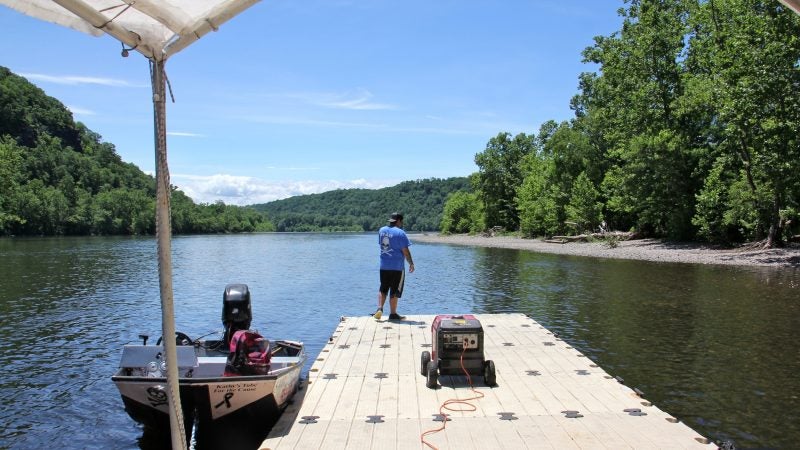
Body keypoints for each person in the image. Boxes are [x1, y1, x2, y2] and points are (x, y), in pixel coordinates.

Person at [374, 212, 414, 321]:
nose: (402, 224)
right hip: (397, 267)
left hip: (384, 266)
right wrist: (411, 263)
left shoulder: (382, 231)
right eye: (402, 221)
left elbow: (382, 246)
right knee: (395, 290)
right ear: (398, 221)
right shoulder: (400, 233)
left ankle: (379, 308)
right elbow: (405, 251)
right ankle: (393, 314)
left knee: (383, 287)